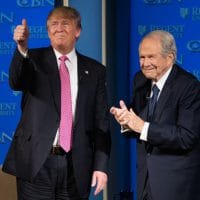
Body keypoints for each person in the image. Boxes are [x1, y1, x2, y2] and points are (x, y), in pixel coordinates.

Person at [3, 6, 111, 200]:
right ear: (48, 32)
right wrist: (21, 48)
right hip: (37, 164)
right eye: (54, 24)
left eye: (65, 23)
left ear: (77, 31)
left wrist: (101, 167)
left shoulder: (95, 71)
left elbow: (101, 122)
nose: (59, 28)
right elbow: (16, 81)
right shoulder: (32, 59)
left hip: (76, 166)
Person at [110, 30, 200, 200]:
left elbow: (186, 137)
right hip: (145, 180)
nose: (145, 63)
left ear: (170, 57)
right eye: (142, 57)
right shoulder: (140, 80)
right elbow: (137, 121)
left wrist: (142, 126)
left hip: (176, 184)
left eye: (151, 57)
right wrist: (125, 120)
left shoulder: (189, 87)